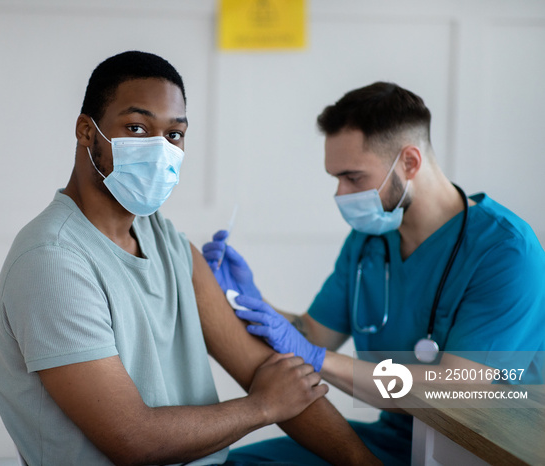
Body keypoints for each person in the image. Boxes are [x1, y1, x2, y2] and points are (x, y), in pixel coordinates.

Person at [0, 51, 380, 466]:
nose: (159, 149)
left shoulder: (168, 243)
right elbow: (132, 439)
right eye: (136, 128)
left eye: (174, 134)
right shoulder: (53, 261)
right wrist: (262, 408)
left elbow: (265, 368)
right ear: (87, 131)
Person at [203, 82, 545, 465]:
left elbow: (456, 392)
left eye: (353, 178)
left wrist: (317, 359)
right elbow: (314, 335)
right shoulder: (370, 241)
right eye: (336, 178)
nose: (340, 194)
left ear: (410, 163)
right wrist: (247, 299)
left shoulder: (506, 251)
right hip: (396, 440)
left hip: (480, 451)